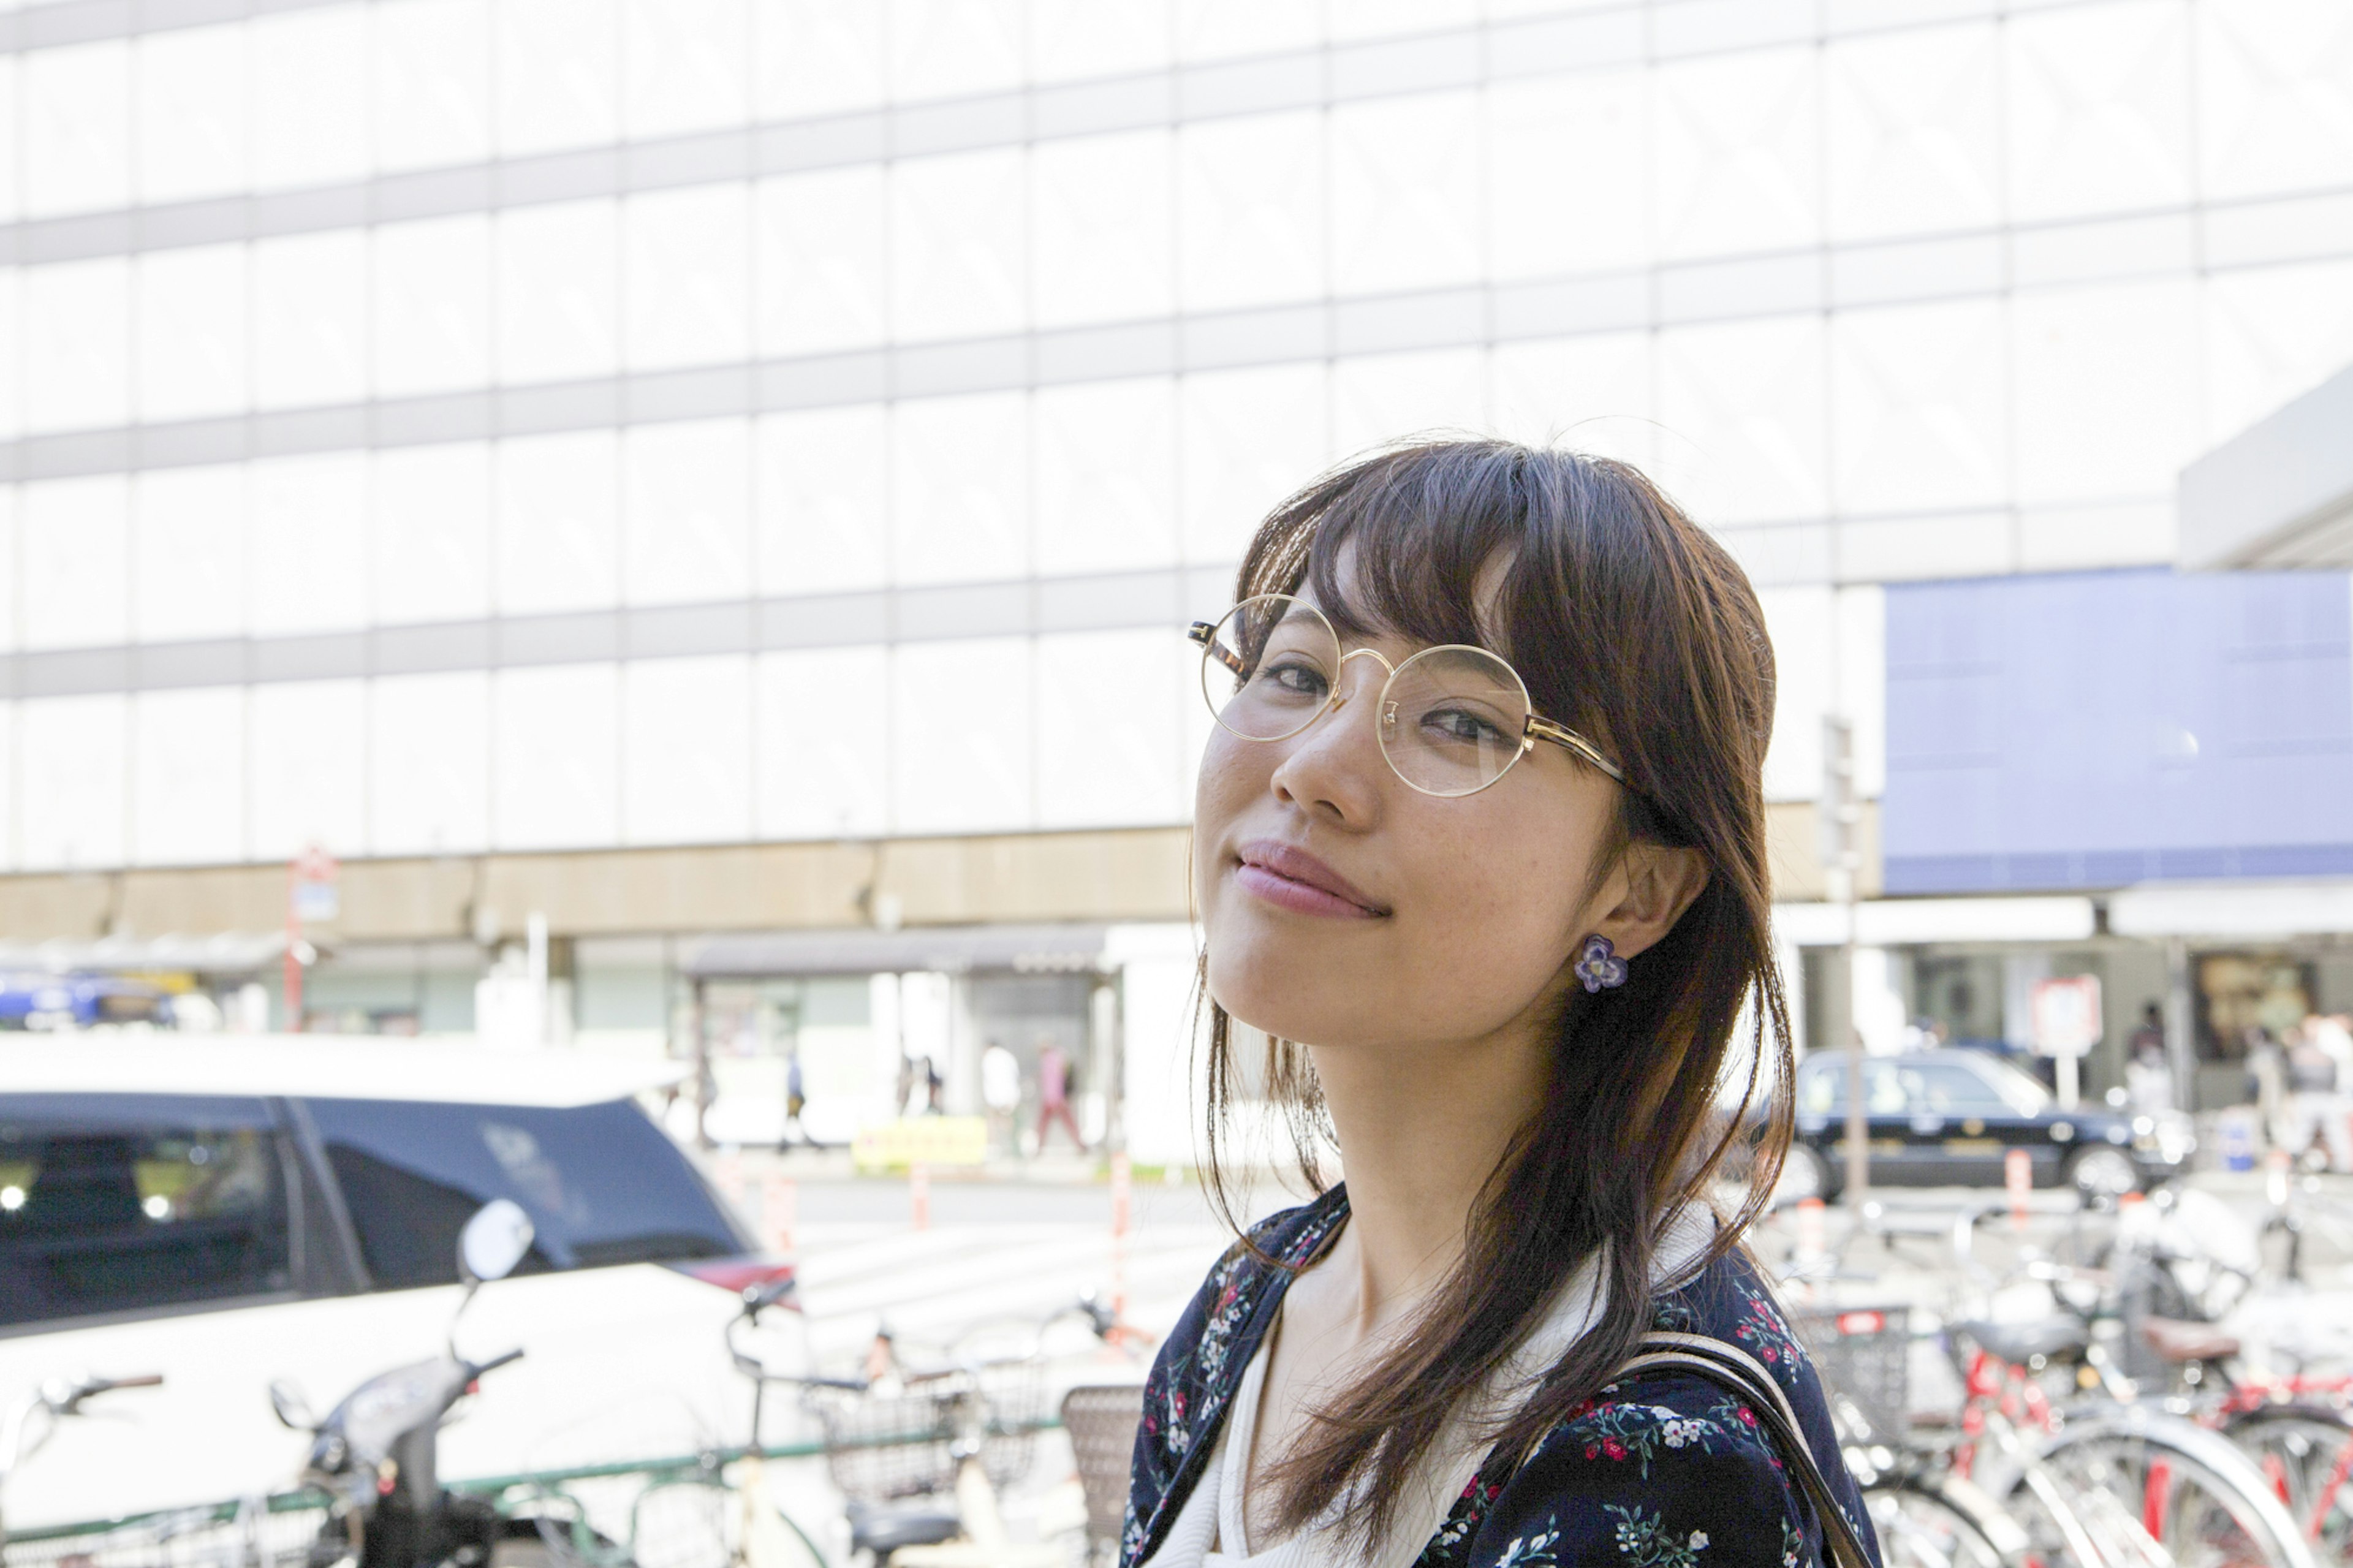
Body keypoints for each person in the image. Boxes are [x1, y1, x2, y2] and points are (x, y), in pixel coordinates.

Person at [1127, 441, 1876, 1568]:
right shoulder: (1247, 1308)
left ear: (1638, 888)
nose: (1314, 765)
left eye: (1463, 721)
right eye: (1294, 669)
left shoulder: (1664, 1455)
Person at [1034, 1036, 1085, 1153]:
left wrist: (1055, 1098)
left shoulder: (1050, 1059)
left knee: (1044, 1124)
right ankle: (1080, 1145)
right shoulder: (1059, 1057)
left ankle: (1039, 1147)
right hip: (1057, 1097)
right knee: (1068, 1123)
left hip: (1054, 1098)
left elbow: (1054, 1081)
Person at [2126, 1002, 2173, 1115]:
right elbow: (2132, 1055)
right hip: (2143, 1073)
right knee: (2141, 1104)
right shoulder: (2139, 1035)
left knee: (2163, 1104)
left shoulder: (2165, 1034)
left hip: (2160, 1072)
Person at [982, 1038, 1021, 1153]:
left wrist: (994, 1098)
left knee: (993, 1121)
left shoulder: (989, 1058)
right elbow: (1016, 1075)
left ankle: (994, 1147)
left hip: (995, 1097)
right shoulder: (1009, 1057)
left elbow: (990, 1079)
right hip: (1011, 1096)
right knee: (1008, 1121)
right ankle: (1016, 1144)